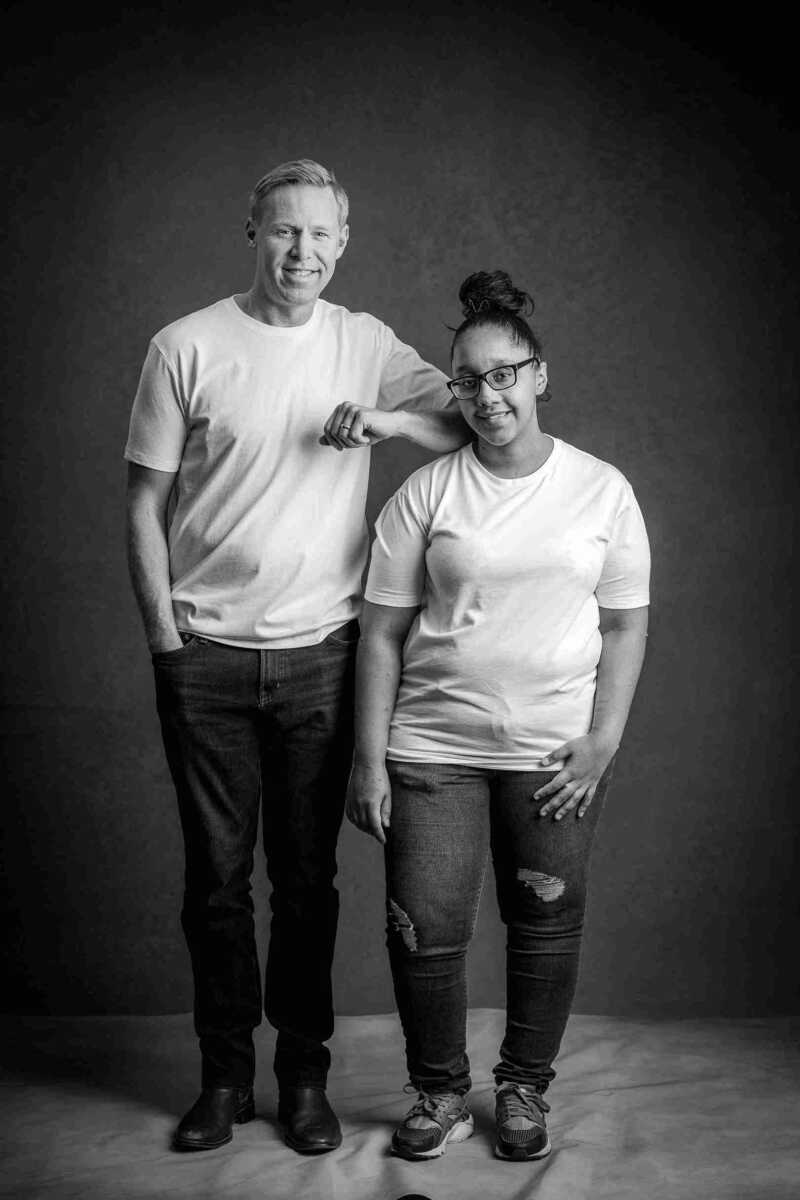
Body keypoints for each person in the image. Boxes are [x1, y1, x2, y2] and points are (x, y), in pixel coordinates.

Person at [124, 159, 465, 1156]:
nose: (300, 252)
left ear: (342, 243)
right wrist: (162, 637)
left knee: (308, 883)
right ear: (252, 232)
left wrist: (391, 421)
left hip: (323, 653)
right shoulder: (185, 344)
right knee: (215, 884)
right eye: (283, 232)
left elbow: (468, 416)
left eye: (319, 236)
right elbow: (142, 502)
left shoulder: (362, 344)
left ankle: (302, 1077)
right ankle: (224, 1077)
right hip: (206, 654)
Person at [347, 270, 650, 1163]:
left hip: (555, 756)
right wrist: (369, 761)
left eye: (505, 373)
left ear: (540, 374)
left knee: (545, 924)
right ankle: (439, 1092)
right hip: (431, 748)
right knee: (425, 930)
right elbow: (379, 635)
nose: (488, 395)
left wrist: (604, 742)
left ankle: (522, 1089)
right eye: (468, 381)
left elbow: (626, 623)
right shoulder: (427, 495)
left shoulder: (601, 490)